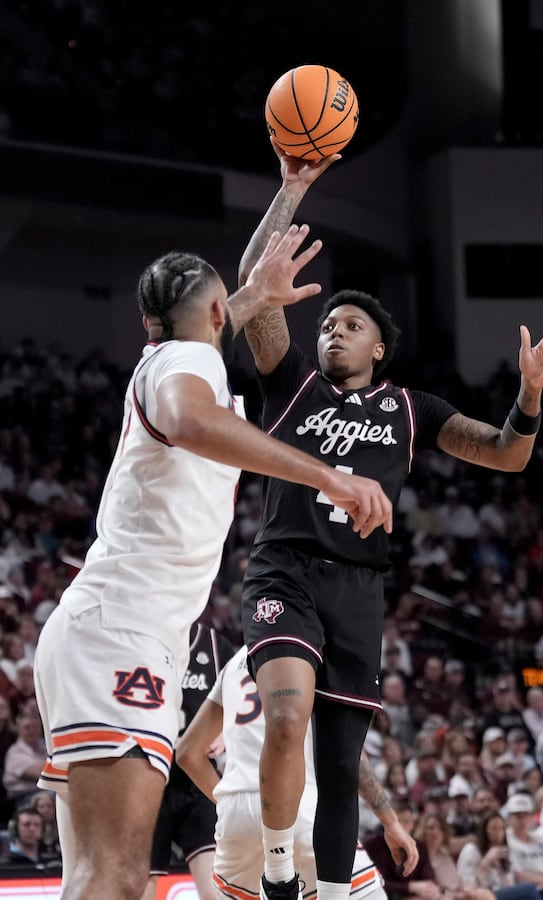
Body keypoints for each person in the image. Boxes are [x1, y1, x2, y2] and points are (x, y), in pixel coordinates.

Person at [237, 141, 543, 900]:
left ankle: (328, 894)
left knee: (338, 768)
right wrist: (290, 190)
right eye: (328, 322)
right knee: (286, 716)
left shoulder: (408, 409)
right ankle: (275, 875)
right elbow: (256, 289)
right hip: (285, 570)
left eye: (351, 323)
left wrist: (529, 397)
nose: (334, 329)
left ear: (380, 347)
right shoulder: (291, 384)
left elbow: (505, 456)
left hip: (359, 590)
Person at [32, 229, 393, 900]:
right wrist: (330, 478)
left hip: (115, 629)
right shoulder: (182, 369)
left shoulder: (177, 352)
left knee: (101, 877)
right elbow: (191, 419)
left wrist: (291, 183)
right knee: (111, 876)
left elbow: (237, 303)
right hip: (122, 631)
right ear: (218, 314)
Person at [176, 645, 418, 900]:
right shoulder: (311, 651)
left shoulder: (234, 663)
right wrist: (391, 822)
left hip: (235, 819)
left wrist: (227, 800)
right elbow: (348, 754)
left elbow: (187, 753)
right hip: (297, 809)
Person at [140, 622, 235, 900]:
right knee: (143, 890)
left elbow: (244, 700)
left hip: (198, 779)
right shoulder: (143, 638)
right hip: (149, 777)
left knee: (215, 891)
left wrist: (227, 733)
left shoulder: (215, 645)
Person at [456, 810, 543, 900]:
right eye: (493, 828)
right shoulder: (471, 850)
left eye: (501, 828)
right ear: (485, 830)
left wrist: (501, 870)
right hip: (481, 895)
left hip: (500, 893)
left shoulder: (504, 851)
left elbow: (509, 886)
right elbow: (467, 885)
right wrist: (486, 862)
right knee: (528, 889)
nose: (498, 833)